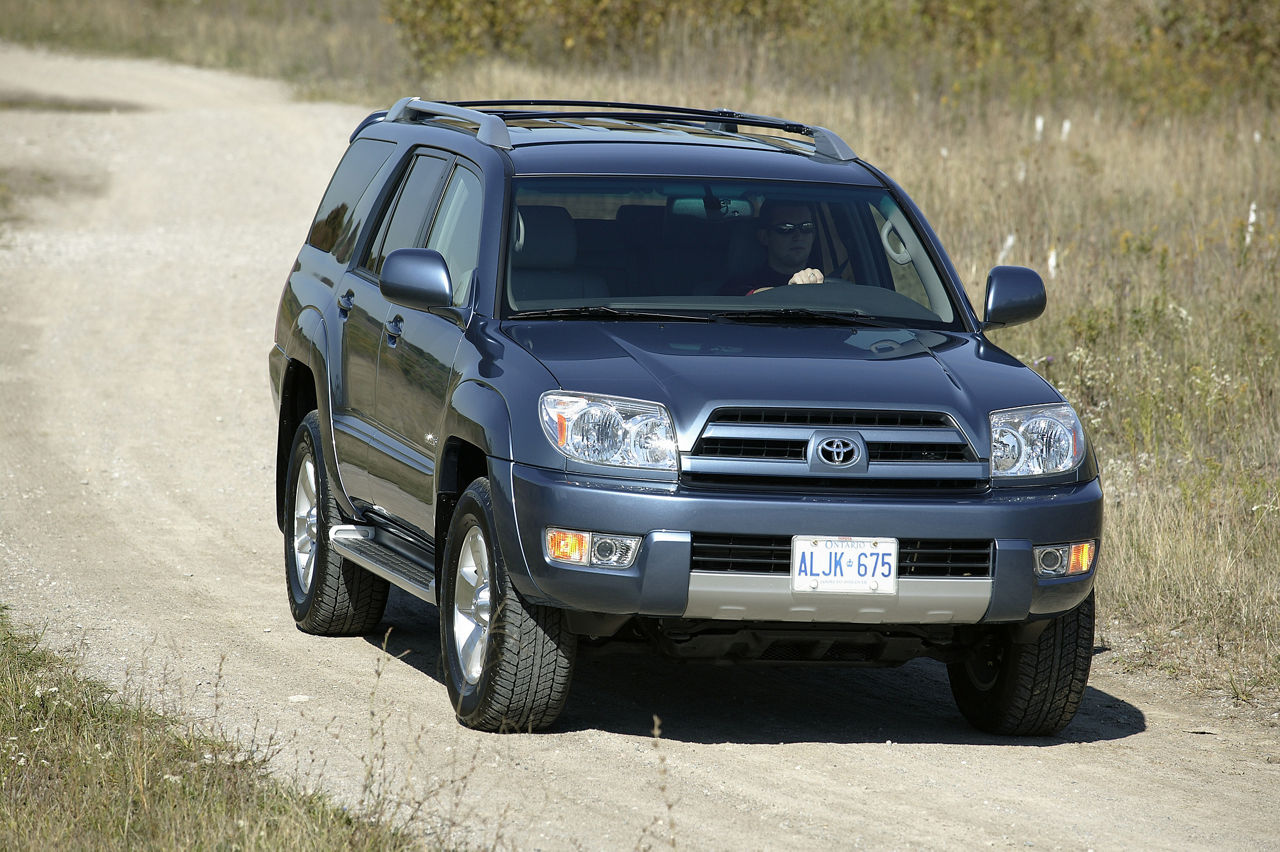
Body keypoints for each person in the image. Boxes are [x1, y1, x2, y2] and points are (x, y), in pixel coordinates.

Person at [720, 200, 824, 295]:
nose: (798, 236)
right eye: (786, 228)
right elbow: (746, 297)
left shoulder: (831, 282)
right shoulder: (738, 287)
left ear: (814, 235)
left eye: (806, 227)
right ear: (764, 236)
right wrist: (790, 291)